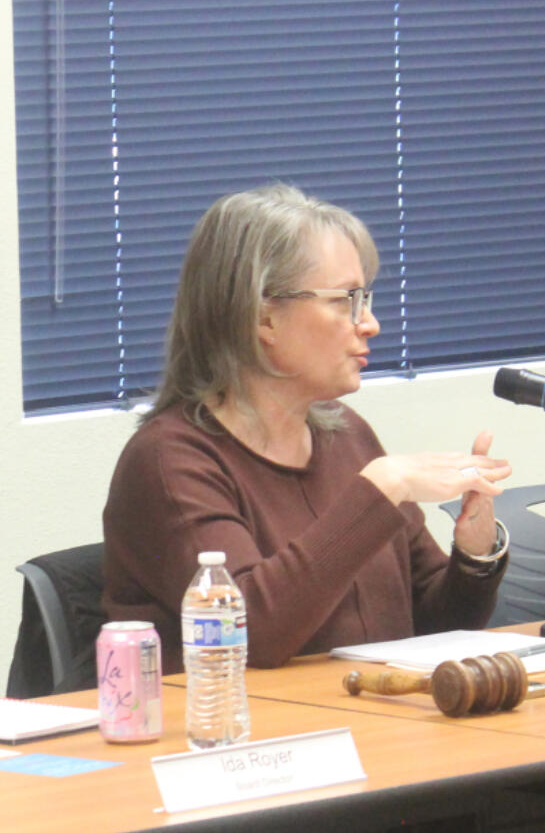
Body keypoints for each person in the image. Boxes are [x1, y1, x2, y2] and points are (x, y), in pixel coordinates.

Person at [103, 185, 512, 672]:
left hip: (372, 727)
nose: (371, 324)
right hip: (243, 738)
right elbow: (250, 634)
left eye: (367, 299)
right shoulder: (169, 461)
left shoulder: (347, 436)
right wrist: (379, 491)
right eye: (347, 301)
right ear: (263, 317)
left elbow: (432, 625)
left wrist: (474, 556)